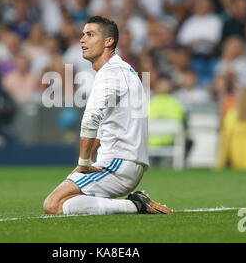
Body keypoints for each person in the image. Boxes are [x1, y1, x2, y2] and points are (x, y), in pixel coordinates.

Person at [43, 16, 172, 215]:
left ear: (108, 41)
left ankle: (136, 205)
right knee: (68, 203)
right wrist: (88, 163)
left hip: (118, 163)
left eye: (90, 34)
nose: (82, 40)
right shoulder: (121, 70)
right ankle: (136, 204)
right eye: (83, 34)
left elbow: (91, 119)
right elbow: (103, 131)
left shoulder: (111, 72)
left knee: (52, 204)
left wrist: (84, 163)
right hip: (123, 162)